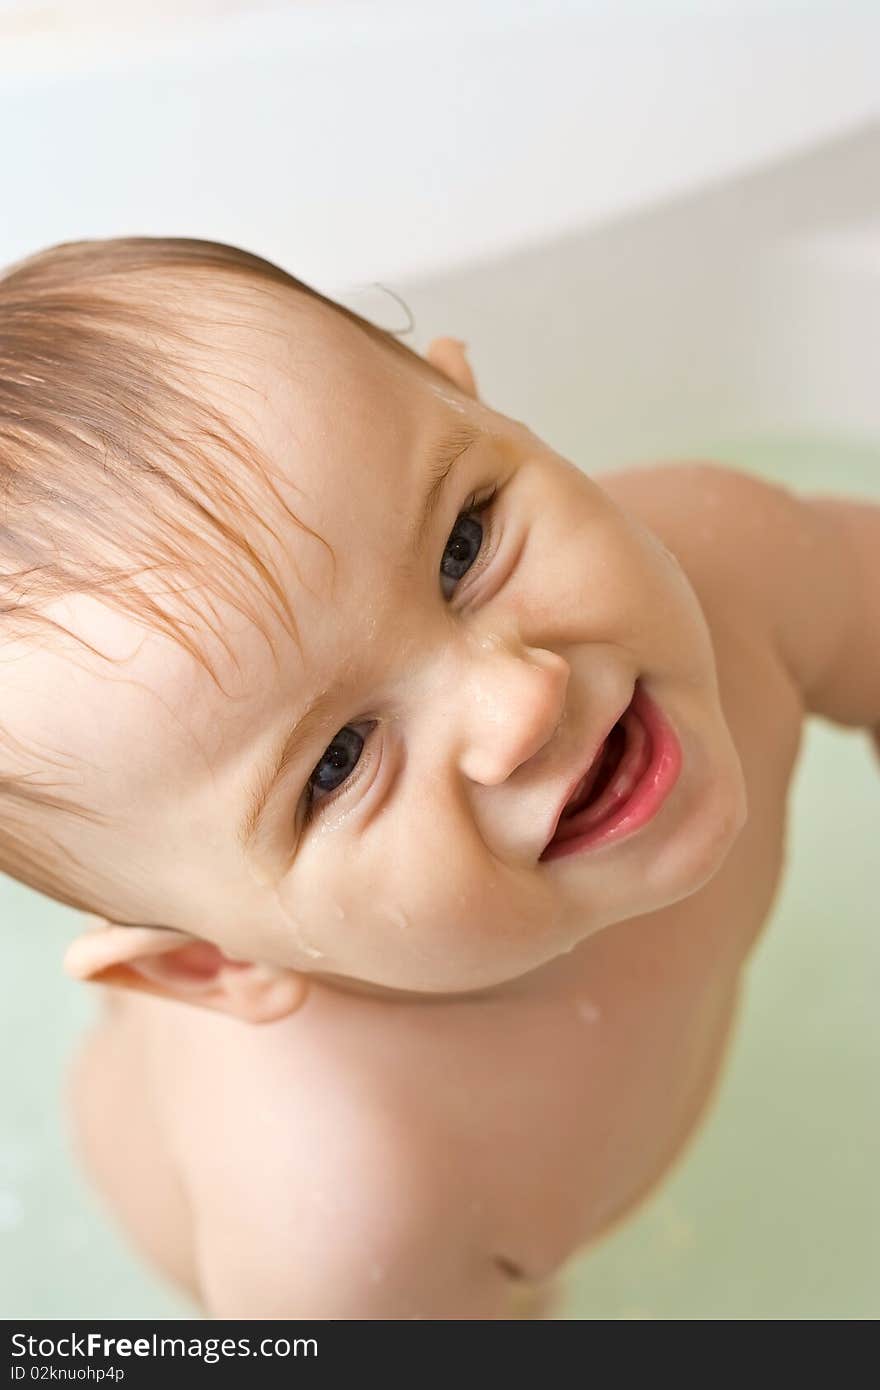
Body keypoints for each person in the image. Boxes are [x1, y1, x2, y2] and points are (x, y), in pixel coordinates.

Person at [1, 237, 876, 1318]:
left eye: (464, 544)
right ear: (208, 963)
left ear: (490, 412)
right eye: (338, 762)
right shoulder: (340, 1215)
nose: (519, 701)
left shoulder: (735, 564)